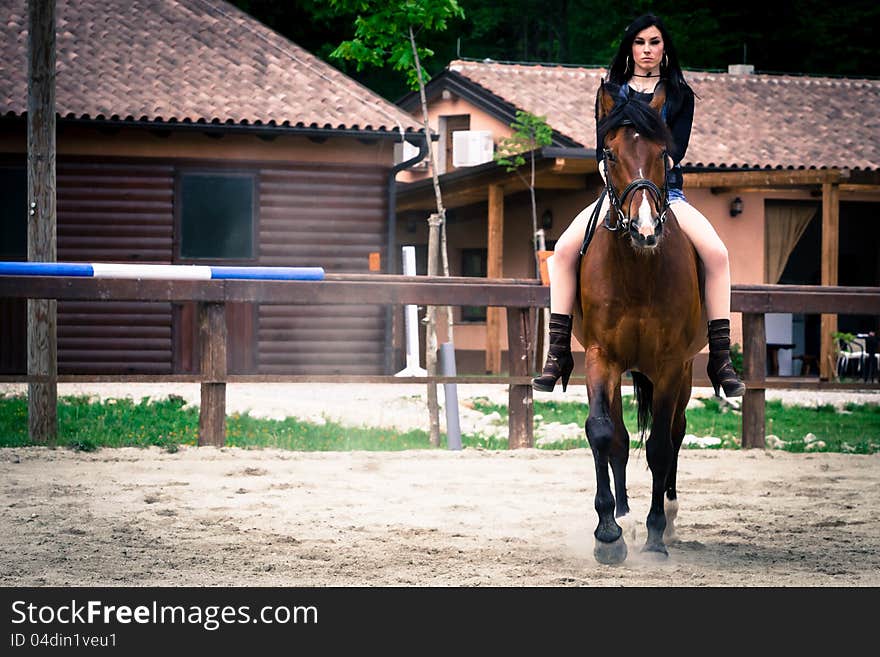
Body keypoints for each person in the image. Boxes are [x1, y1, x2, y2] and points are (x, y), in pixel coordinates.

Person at [532, 13, 745, 398]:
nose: (647, 50)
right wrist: (608, 171)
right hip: (617, 195)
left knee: (717, 253)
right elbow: (602, 147)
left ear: (664, 49)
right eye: (640, 43)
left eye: (654, 43)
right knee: (562, 252)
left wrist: (652, 179)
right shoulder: (611, 91)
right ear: (630, 47)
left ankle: (720, 358)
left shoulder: (678, 93)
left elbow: (675, 151)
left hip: (666, 194)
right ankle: (558, 352)